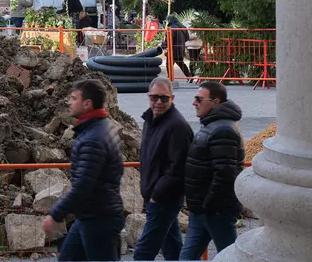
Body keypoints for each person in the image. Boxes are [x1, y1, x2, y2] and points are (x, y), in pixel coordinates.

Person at [42, 79, 124, 261]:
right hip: (90, 215)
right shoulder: (98, 129)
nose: (69, 102)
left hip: (99, 219)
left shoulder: (93, 139)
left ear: (87, 104)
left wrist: (55, 215)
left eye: (73, 98)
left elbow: (83, 186)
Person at [179, 82, 245, 260]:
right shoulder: (213, 124)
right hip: (203, 210)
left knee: (230, 256)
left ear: (215, 102)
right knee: (187, 258)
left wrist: (209, 206)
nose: (194, 103)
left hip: (215, 211)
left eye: (199, 99)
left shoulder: (223, 129)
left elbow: (225, 174)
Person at [134, 78, 194, 261]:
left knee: (143, 252)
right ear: (148, 97)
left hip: (164, 198)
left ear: (172, 98)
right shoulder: (151, 120)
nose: (158, 102)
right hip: (157, 195)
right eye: (154, 98)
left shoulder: (177, 126)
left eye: (163, 98)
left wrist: (156, 194)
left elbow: (178, 168)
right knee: (173, 249)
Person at [161, 15, 192, 79]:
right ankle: (189, 77)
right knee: (181, 64)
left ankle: (170, 77)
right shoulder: (183, 27)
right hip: (181, 49)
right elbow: (187, 38)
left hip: (173, 49)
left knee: (168, 64)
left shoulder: (171, 28)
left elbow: (169, 40)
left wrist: (163, 45)